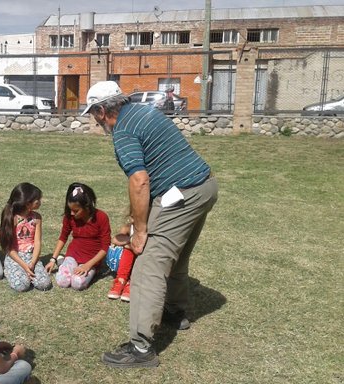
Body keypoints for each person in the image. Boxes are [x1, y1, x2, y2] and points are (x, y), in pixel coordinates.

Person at [82, 81, 218, 368]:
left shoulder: (123, 131)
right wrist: (133, 221)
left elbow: (140, 180)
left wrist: (140, 232)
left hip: (181, 194)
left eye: (94, 113)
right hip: (204, 187)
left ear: (103, 110)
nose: (95, 120)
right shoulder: (143, 111)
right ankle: (175, 311)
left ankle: (141, 348)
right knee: (175, 257)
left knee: (147, 267)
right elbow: (146, 182)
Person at [45, 183, 111, 291]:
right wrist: (53, 259)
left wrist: (88, 265)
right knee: (62, 281)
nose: (71, 213)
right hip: (73, 254)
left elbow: (105, 247)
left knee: (77, 283)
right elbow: (63, 237)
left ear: (87, 206)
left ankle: (88, 269)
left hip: (91, 259)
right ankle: (62, 262)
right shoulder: (69, 217)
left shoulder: (101, 217)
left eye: (76, 210)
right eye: (70, 209)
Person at [0, 183, 52, 292]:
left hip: (31, 256)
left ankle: (27, 272)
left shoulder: (37, 218)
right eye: (38, 200)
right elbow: (8, 248)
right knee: (22, 286)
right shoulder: (11, 218)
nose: (40, 202)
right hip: (15, 257)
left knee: (44, 284)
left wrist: (32, 263)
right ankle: (9, 270)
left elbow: (37, 242)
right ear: (28, 204)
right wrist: (24, 265)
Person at [107, 218, 137, 302]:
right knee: (128, 251)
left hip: (143, 261)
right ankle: (121, 280)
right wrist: (132, 243)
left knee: (134, 250)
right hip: (127, 262)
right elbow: (115, 239)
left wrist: (129, 245)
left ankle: (132, 283)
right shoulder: (130, 224)